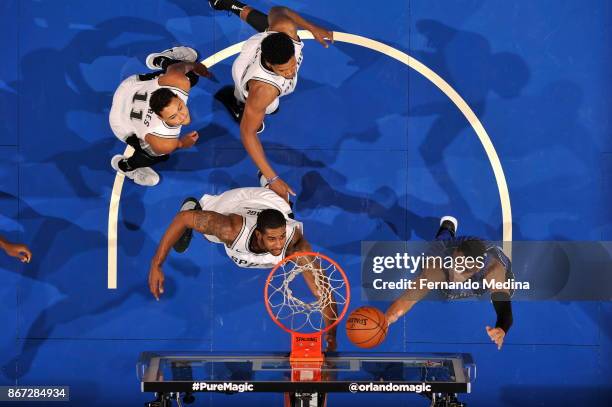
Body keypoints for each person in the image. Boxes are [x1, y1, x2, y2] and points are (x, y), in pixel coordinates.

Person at [148, 187, 338, 349]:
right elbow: (183, 218)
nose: (279, 244)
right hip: (237, 203)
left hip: (270, 203)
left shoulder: (294, 245)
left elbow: (323, 292)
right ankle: (196, 205)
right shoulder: (230, 229)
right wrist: (157, 264)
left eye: (281, 237)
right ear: (258, 235)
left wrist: (331, 335)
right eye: (272, 239)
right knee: (208, 234)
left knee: (285, 210)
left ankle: (271, 188)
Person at [210, 0, 333, 201]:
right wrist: (273, 178)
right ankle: (236, 102)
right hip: (246, 74)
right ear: (270, 63)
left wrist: (312, 28)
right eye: (284, 70)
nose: (291, 72)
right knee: (265, 111)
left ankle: (230, 4)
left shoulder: (286, 30)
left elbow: (279, 10)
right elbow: (247, 133)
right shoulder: (263, 91)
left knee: (271, 24)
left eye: (292, 66)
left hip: (259, 44)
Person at [385, 216, 514, 350]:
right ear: (454, 254)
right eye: (456, 264)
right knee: (441, 242)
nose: (457, 272)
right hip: (447, 248)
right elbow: (408, 298)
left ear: (477, 268)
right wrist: (386, 320)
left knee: (505, 290)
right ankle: (447, 228)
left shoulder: (493, 270)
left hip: (490, 262)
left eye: (465, 270)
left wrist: (501, 328)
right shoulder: (437, 264)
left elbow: (505, 312)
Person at [109, 46, 212, 186]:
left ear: (177, 96)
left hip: (129, 87)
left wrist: (195, 65)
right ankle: (125, 166)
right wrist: (182, 143)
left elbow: (180, 67)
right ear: (161, 118)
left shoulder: (180, 82)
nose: (182, 117)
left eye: (180, 107)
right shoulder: (164, 141)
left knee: (191, 76)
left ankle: (159, 59)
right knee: (157, 156)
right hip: (120, 122)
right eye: (173, 117)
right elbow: (172, 145)